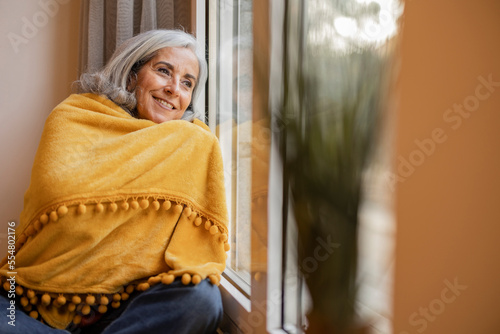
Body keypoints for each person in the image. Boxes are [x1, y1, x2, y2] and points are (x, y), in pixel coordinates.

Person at [0, 29, 229, 334]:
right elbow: (58, 194)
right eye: (164, 71)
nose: (175, 89)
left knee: (202, 300)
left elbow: (194, 253)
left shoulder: (194, 143)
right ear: (132, 74)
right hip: (33, 299)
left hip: (130, 310)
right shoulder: (74, 116)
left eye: (187, 82)